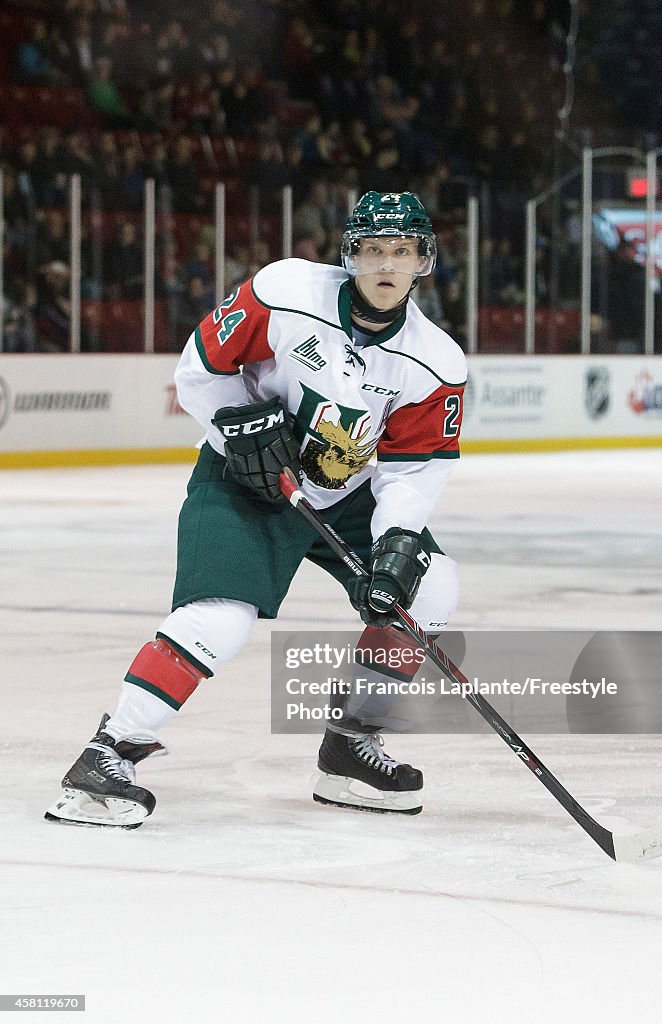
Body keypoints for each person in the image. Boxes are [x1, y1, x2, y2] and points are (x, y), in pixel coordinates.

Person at [45, 191, 467, 828]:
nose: (387, 265)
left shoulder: (435, 361)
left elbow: (412, 471)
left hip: (340, 492)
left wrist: (396, 545)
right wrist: (236, 421)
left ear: (421, 262)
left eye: (401, 252)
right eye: (374, 250)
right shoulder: (285, 292)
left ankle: (350, 745)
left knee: (429, 586)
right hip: (247, 479)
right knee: (219, 621)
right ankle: (108, 756)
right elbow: (200, 368)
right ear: (351, 255)